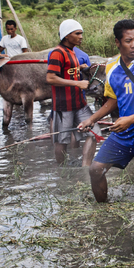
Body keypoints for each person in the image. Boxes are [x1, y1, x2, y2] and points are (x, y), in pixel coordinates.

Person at [80, 19, 134, 202]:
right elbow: (113, 99)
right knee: (95, 169)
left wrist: (129, 119)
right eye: (129, 41)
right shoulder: (112, 68)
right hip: (123, 134)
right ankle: (104, 213)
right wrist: (92, 119)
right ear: (117, 42)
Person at [46, 19, 101, 166]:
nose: (81, 36)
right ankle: (62, 172)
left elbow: (68, 72)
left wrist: (80, 69)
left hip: (80, 104)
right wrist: (77, 82)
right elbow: (50, 78)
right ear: (66, 35)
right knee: (61, 140)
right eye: (77, 33)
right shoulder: (58, 53)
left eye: (81, 33)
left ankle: (85, 167)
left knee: (95, 132)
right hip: (64, 105)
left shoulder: (73, 53)